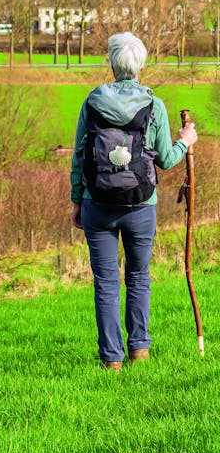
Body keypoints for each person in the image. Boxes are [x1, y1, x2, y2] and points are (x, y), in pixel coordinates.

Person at [70, 32, 198, 371]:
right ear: (141, 65)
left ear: (111, 64)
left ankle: (111, 360)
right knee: (139, 277)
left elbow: (79, 155)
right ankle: (140, 351)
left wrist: (77, 200)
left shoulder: (92, 101)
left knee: (106, 282)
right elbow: (166, 159)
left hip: (97, 203)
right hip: (141, 204)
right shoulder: (154, 105)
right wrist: (185, 141)